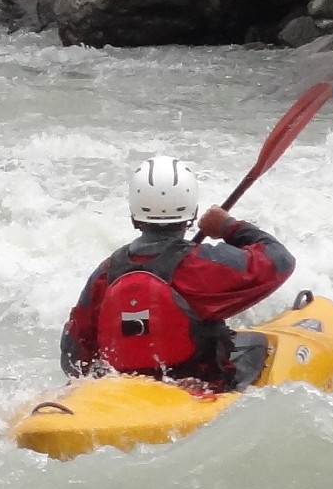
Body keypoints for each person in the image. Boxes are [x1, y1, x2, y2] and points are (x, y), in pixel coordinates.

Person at [61, 155, 295, 389]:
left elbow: (73, 356)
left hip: (121, 394)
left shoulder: (106, 273)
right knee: (258, 345)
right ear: (192, 214)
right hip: (194, 390)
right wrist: (228, 226)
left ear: (134, 215)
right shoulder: (203, 266)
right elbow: (280, 260)